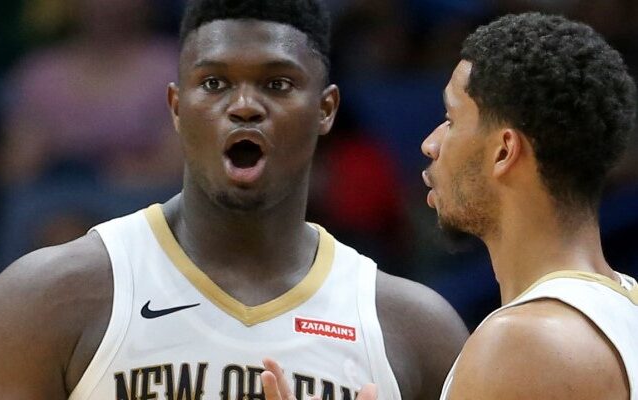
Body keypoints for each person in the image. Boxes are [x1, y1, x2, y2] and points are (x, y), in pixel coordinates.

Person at [0, 1, 469, 399]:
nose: (244, 105)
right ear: (177, 107)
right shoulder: (47, 298)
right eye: (215, 82)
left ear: (326, 109)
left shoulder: (414, 328)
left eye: (278, 83)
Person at [262, 12, 638, 400]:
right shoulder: (622, 308)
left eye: (450, 119)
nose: (430, 143)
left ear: (504, 151)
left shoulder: (526, 341)